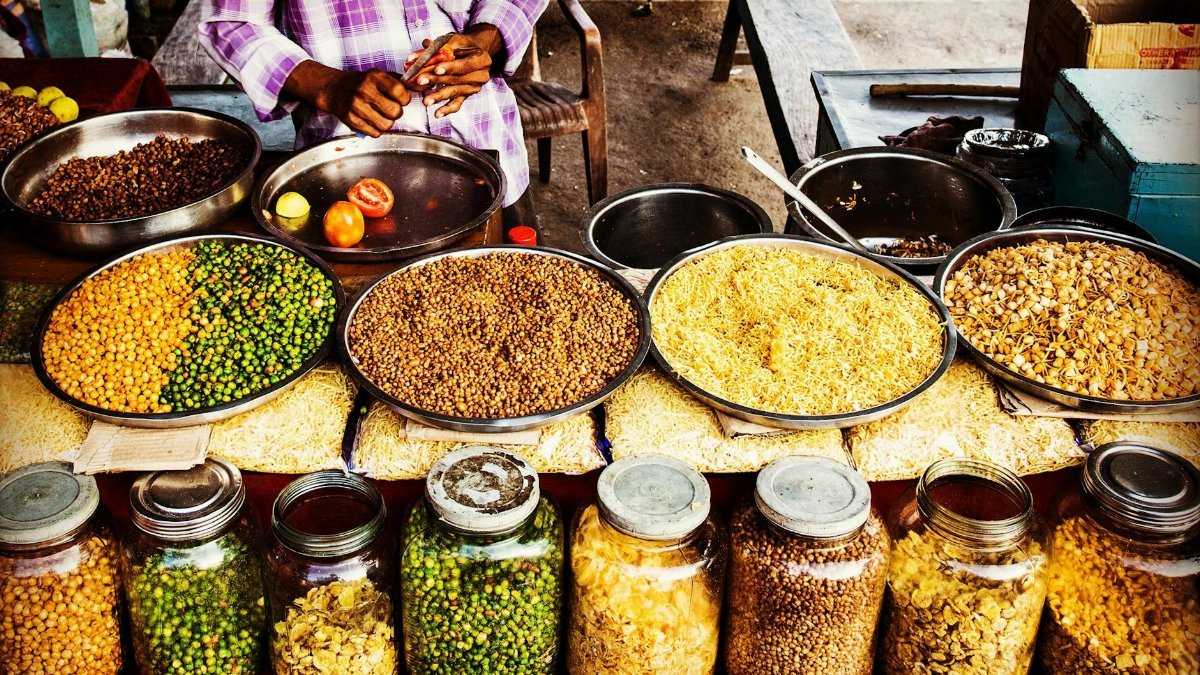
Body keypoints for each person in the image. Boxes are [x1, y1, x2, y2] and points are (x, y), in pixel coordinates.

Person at [198, 0, 549, 217]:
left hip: (487, 148)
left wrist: (484, 38)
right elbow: (231, 22)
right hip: (348, 184)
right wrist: (328, 86)